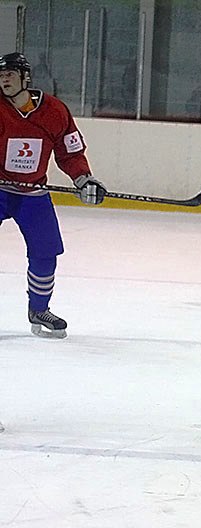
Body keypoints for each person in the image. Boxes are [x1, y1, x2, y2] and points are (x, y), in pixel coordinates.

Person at [0, 52, 106, 338]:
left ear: (25, 77)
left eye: (10, 74)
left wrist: (83, 179)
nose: (4, 80)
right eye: (0, 76)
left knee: (46, 251)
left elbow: (70, 152)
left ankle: (39, 309)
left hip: (33, 193)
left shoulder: (54, 110)